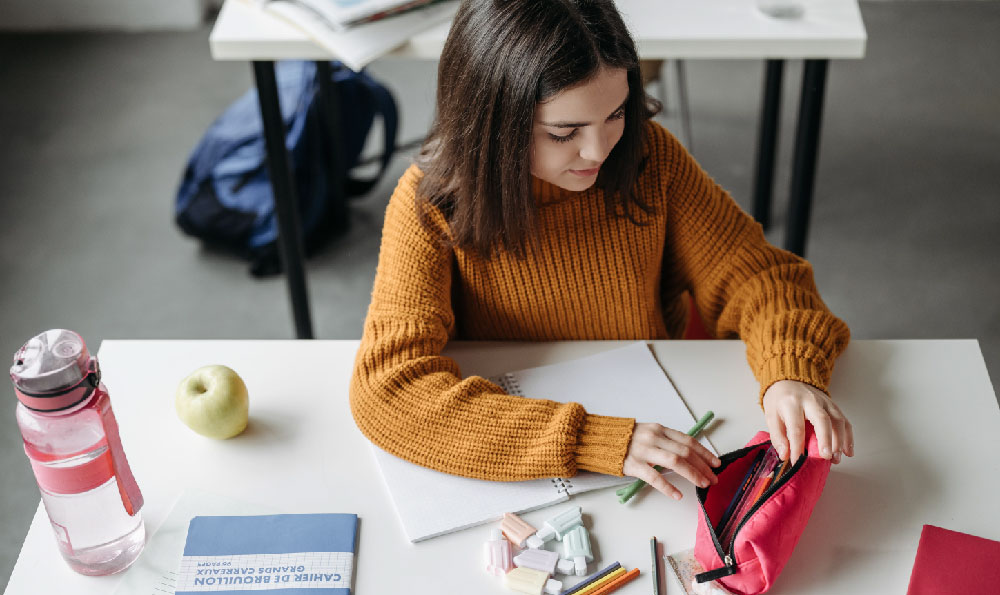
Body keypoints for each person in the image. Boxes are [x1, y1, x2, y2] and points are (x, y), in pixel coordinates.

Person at [349, 0, 853, 501]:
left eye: (615, 113)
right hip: (532, 469)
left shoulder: (650, 158)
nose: (598, 150)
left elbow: (758, 277)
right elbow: (388, 388)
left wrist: (789, 370)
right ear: (492, 124)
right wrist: (592, 440)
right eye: (563, 133)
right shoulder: (432, 202)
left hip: (655, 438)